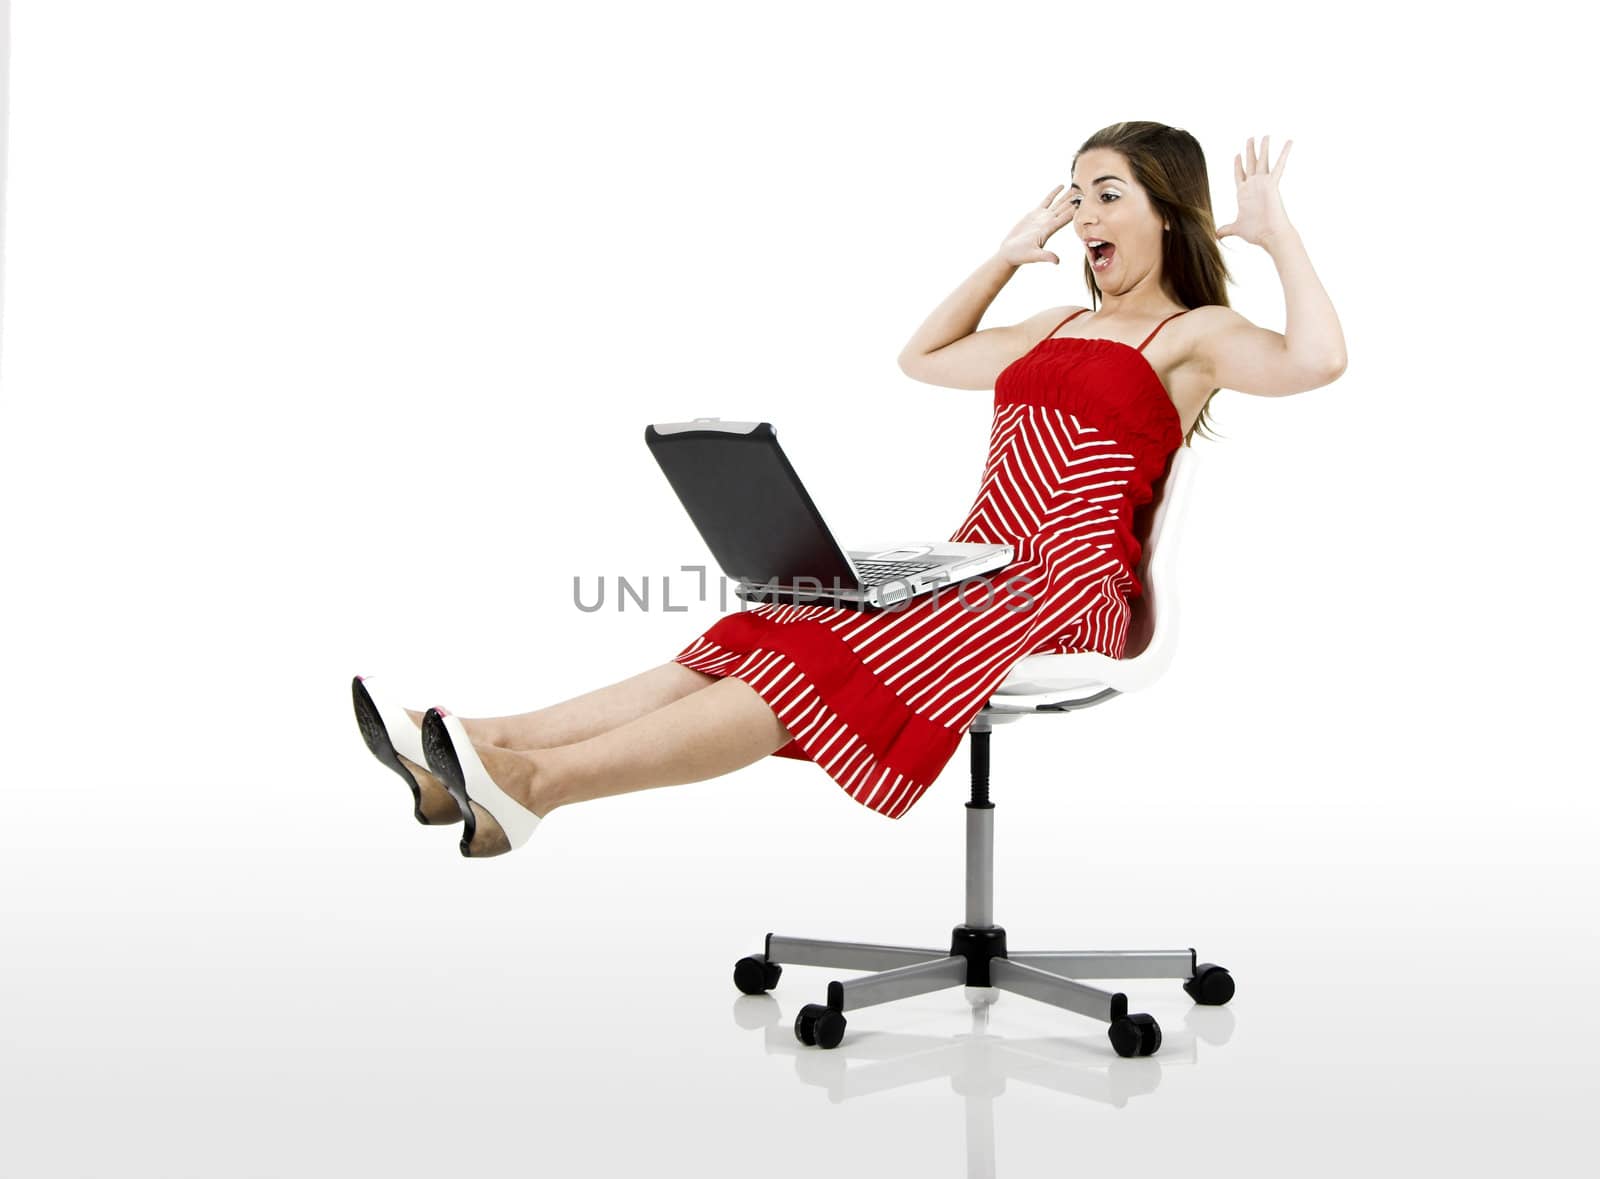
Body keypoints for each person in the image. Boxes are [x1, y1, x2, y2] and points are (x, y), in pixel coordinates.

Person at [353, 122, 1347, 858]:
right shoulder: (1050, 322)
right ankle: (479, 745)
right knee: (775, 618)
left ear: (1168, 211)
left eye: (1104, 194)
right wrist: (1003, 257)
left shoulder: (1192, 338)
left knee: (830, 640)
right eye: (1073, 194)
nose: (1080, 214)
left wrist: (1274, 235)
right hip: (976, 568)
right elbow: (924, 355)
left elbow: (1316, 359)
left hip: (1067, 590)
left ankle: (538, 786)